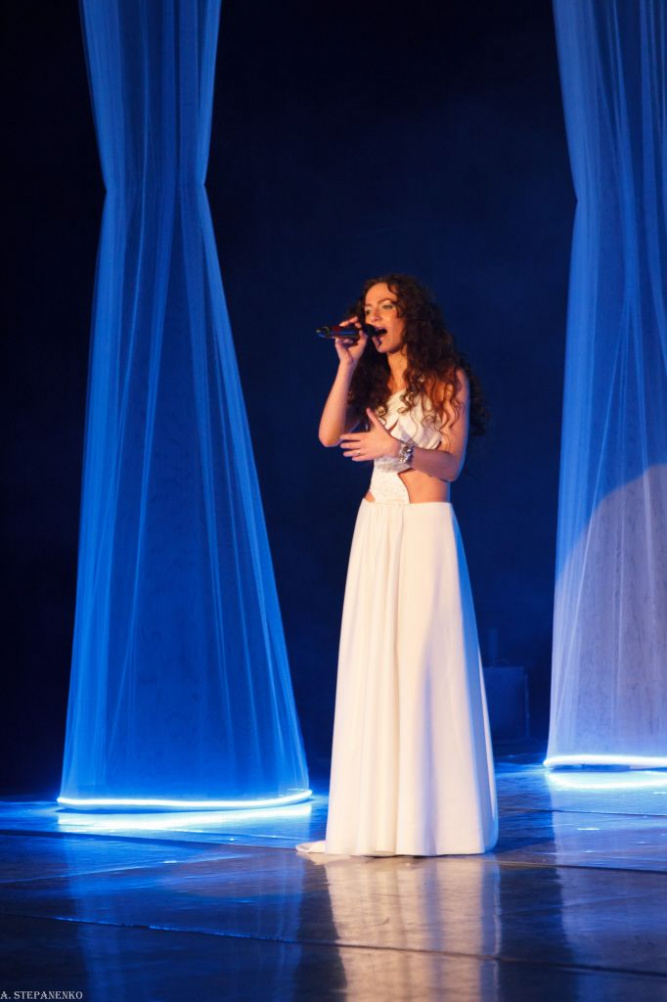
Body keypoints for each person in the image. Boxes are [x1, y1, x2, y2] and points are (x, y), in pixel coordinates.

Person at [299, 274, 498, 857]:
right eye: (369, 308)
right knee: (376, 667)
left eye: (387, 306)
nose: (376, 316)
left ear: (411, 315)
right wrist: (346, 364)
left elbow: (452, 465)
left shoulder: (446, 377)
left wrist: (397, 449)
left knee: (422, 665)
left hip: (424, 531)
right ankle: (381, 821)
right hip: (376, 528)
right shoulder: (371, 381)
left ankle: (430, 821)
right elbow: (328, 435)